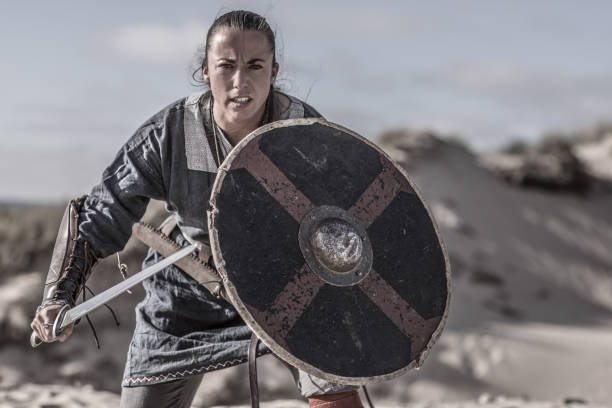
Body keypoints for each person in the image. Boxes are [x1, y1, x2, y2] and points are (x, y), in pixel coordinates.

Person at [30, 10, 365, 408]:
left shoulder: (303, 130)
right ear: (206, 71)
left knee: (336, 395)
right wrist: (58, 296)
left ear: (273, 72)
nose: (240, 81)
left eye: (255, 66)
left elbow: (349, 220)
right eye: (226, 66)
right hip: (186, 295)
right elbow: (104, 212)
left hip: (285, 289)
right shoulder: (170, 132)